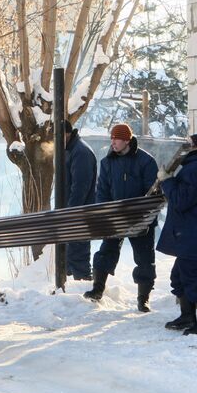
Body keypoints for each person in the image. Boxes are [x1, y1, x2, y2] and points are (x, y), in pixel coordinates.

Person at [83, 123, 159, 312]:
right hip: (116, 216)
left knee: (144, 258)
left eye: (116, 139)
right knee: (106, 251)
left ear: (127, 140)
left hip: (141, 217)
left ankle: (143, 299)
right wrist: (105, 214)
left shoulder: (146, 161)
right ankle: (97, 289)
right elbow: (102, 191)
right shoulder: (107, 162)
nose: (113, 142)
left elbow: (153, 191)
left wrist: (144, 214)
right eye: (111, 138)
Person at [156, 133, 197, 335]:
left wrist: (167, 181)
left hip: (195, 236)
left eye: (189, 143)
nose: (185, 145)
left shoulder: (195, 171)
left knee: (194, 278)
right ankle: (187, 317)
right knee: (179, 276)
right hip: (193, 235)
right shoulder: (195, 169)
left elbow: (181, 200)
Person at [64, 120, 97, 281]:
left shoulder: (81, 152)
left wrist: (71, 212)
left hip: (79, 213)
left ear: (67, 134)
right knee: (71, 252)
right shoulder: (71, 149)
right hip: (72, 211)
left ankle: (82, 285)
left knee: (78, 252)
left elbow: (80, 187)